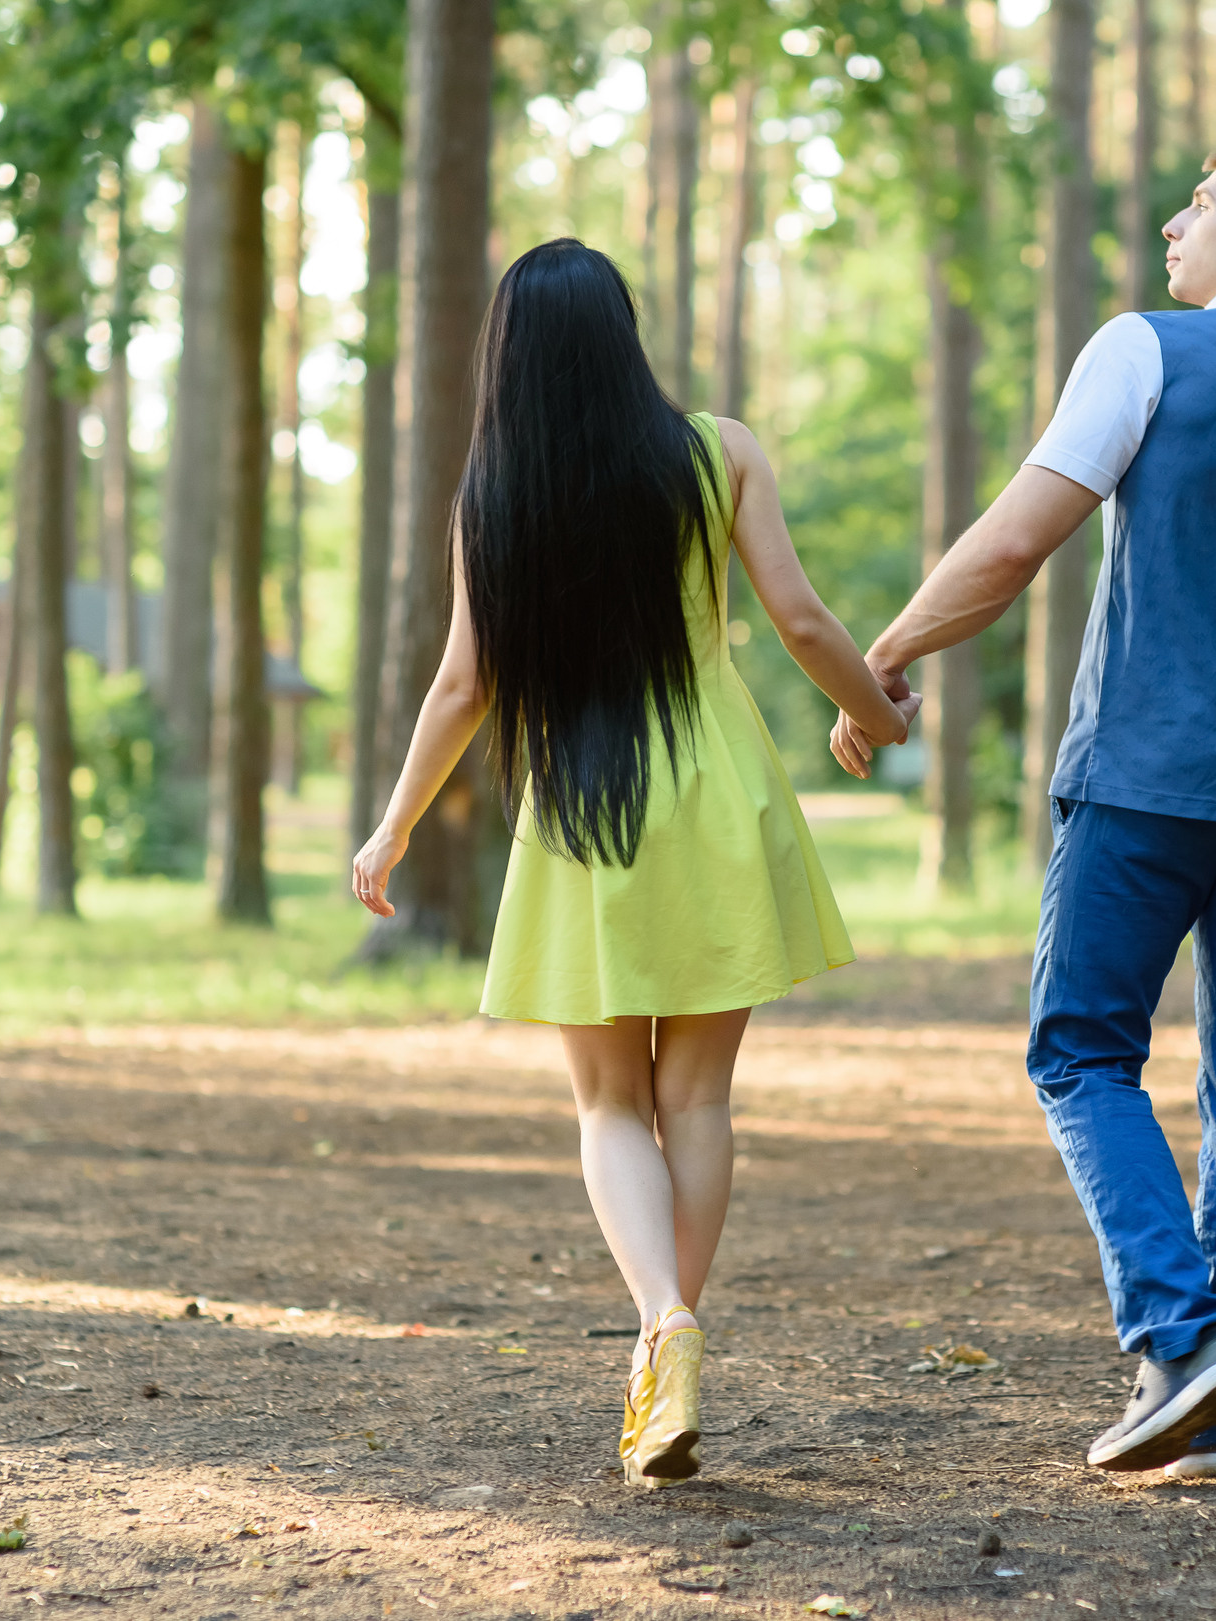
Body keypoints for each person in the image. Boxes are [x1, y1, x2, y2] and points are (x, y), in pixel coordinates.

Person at [832, 137, 1216, 1476]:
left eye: (1200, 204)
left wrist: (891, 651)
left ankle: (1182, 1333)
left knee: (1082, 1050)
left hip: (1147, 775)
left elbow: (1019, 536)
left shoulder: (1147, 349)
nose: (1174, 223)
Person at [352, 239, 919, 1489]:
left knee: (609, 1102)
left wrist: (393, 823)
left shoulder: (494, 496)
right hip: (712, 787)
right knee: (698, 1100)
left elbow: (463, 682)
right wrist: (875, 717)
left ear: (512, 355)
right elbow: (803, 619)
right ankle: (670, 1338)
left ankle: (661, 1322)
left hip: (582, 808)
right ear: (623, 336)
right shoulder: (716, 450)